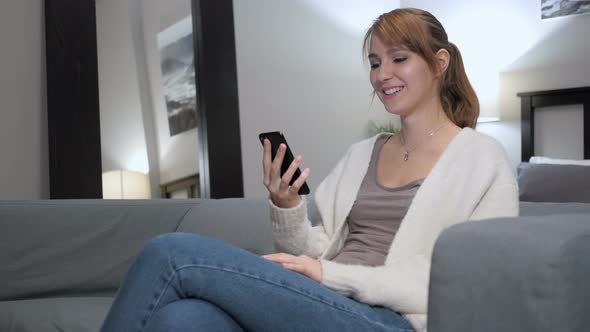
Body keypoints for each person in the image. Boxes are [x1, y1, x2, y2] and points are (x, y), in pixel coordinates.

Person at [100, 8, 518, 332]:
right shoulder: (362, 154)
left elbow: (465, 278)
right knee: (184, 320)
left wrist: (329, 275)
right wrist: (287, 204)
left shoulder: (482, 159)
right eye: (375, 62)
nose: (382, 75)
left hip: (394, 320)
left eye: (398, 59)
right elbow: (314, 249)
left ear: (440, 61)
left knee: (168, 252)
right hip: (326, 303)